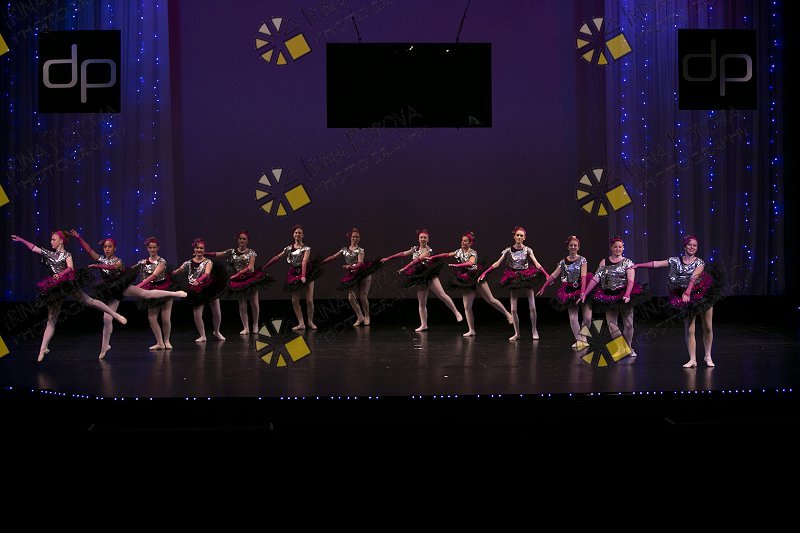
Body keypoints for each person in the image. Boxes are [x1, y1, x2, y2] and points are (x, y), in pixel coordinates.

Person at [11, 231, 127, 362]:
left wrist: (61, 274)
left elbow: (70, 268)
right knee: (51, 319)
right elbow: (33, 248)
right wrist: (21, 239)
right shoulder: (48, 254)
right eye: (51, 240)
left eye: (53, 239)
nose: (51, 242)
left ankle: (115, 315)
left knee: (89, 301)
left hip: (67, 283)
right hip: (55, 288)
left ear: (61, 241)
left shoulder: (67, 254)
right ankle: (43, 348)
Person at [69, 230, 186, 357]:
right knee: (107, 318)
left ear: (115, 248)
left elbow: (113, 267)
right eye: (105, 247)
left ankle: (175, 294)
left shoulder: (119, 261)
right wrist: (79, 238)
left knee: (146, 294)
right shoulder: (101, 259)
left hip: (122, 286)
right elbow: (89, 250)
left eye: (110, 247)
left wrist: (98, 266)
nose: (107, 249)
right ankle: (105, 346)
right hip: (111, 291)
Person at [630, 235, 723, 367]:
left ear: (697, 248)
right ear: (685, 246)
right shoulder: (675, 260)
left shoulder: (700, 262)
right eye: (689, 245)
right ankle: (693, 359)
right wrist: (639, 265)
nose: (692, 247)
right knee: (689, 328)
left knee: (707, 326)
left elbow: (694, 277)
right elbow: (656, 264)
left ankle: (708, 356)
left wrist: (688, 292)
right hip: (685, 295)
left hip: (701, 294)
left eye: (694, 245)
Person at [424, 231, 512, 336]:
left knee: (490, 299)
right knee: (467, 306)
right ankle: (471, 330)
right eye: (462, 240)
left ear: (470, 243)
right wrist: (433, 257)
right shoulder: (458, 251)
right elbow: (447, 254)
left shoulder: (473, 252)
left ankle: (508, 315)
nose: (463, 242)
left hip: (476, 276)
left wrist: (457, 265)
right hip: (466, 279)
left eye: (465, 241)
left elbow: (471, 263)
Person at [382, 229, 463, 332]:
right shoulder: (415, 248)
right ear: (418, 239)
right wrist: (388, 258)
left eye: (425, 237)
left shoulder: (428, 251)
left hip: (429, 274)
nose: (423, 239)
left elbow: (417, 260)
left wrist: (405, 268)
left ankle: (456, 312)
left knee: (441, 295)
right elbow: (403, 254)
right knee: (421, 302)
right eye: (421, 237)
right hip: (420, 276)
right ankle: (424, 324)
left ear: (428, 239)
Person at [479, 226, 550, 341]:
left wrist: (546, 274)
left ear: (524, 237)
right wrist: (485, 273)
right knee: (513, 309)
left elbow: (536, 263)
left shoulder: (528, 250)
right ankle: (517, 333)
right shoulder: (508, 250)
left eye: (521, 235)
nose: (519, 237)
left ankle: (534, 330)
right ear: (514, 236)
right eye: (517, 235)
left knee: (532, 306)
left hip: (526, 276)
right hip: (513, 277)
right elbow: (497, 263)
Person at [581, 236, 644, 357]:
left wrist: (627, 294)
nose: (618, 249)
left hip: (624, 294)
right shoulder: (604, 262)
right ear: (611, 248)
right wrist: (585, 293)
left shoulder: (628, 262)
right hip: (609, 295)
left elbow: (631, 281)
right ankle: (622, 347)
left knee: (628, 324)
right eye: (615, 247)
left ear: (623, 248)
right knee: (611, 324)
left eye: (620, 247)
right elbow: (596, 278)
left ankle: (629, 347)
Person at [206, 231, 273, 335]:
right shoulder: (232, 251)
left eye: (244, 239)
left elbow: (250, 267)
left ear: (247, 241)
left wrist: (237, 274)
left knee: (254, 303)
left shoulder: (251, 252)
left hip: (251, 278)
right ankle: (246, 327)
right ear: (238, 240)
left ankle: (255, 324)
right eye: (240, 238)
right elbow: (218, 254)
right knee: (242, 304)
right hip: (239, 281)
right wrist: (204, 253)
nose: (242, 240)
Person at [262, 225, 322, 331]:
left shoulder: (306, 248)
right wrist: (265, 266)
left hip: (307, 273)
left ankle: (310, 321)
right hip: (294, 274)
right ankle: (301, 323)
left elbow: (304, 261)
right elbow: (277, 257)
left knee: (309, 300)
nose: (297, 234)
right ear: (293, 235)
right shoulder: (288, 248)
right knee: (294, 300)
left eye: (299, 233)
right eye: (296, 233)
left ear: (303, 235)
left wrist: (303, 275)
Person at [537, 235, 593, 349]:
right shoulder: (563, 262)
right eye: (571, 245)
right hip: (569, 290)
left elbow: (583, 276)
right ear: (567, 247)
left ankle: (584, 337)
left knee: (587, 318)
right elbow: (553, 275)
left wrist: (582, 292)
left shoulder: (582, 260)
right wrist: (543, 288)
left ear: (578, 247)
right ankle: (579, 340)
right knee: (573, 317)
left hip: (582, 288)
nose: (573, 247)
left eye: (575, 245)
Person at [172, 238, 229, 343]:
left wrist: (199, 280)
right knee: (197, 314)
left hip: (208, 288)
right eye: (197, 248)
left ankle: (217, 331)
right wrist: (171, 273)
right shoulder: (188, 263)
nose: (199, 250)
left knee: (217, 312)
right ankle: (202, 335)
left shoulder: (208, 262)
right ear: (194, 249)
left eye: (201, 248)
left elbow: (207, 273)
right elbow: (178, 271)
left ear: (204, 250)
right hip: (195, 290)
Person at [322, 227, 381, 326]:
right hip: (353, 274)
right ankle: (360, 316)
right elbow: (333, 257)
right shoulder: (344, 250)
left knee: (363, 296)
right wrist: (323, 262)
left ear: (359, 239)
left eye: (357, 237)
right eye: (353, 237)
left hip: (363, 273)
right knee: (351, 298)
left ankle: (367, 316)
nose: (355, 238)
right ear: (350, 237)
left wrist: (350, 267)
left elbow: (360, 263)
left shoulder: (360, 250)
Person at [135, 237, 179, 350]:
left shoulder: (162, 261)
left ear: (158, 248)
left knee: (165, 318)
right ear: (147, 248)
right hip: (152, 291)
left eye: (154, 247)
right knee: (152, 318)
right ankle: (159, 342)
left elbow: (154, 276)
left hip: (164, 289)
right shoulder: (143, 262)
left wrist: (138, 287)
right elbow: (134, 271)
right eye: (150, 247)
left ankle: (167, 340)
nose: (152, 250)